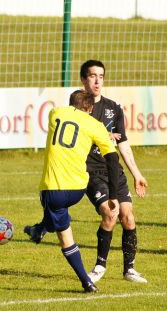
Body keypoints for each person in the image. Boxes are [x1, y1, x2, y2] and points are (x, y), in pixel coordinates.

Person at [25, 60, 148, 284]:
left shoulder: (114, 108)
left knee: (128, 217)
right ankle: (100, 266)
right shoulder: (78, 109)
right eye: (92, 76)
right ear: (83, 79)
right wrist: (101, 136)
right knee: (110, 214)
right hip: (91, 172)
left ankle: (129, 269)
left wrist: (137, 174)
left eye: (101, 76)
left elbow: (124, 145)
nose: (97, 80)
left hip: (114, 172)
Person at [36, 89, 119, 293]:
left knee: (65, 235)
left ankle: (86, 281)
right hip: (79, 189)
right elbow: (113, 160)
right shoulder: (96, 125)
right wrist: (114, 195)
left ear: (71, 103)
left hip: (53, 188)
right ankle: (38, 229)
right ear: (90, 108)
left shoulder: (55, 113)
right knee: (56, 213)